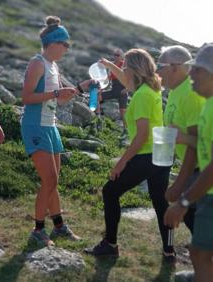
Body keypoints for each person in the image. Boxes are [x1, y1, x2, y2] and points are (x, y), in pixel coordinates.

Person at [84, 48, 175, 260]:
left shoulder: (142, 95)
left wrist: (121, 163)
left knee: (110, 191)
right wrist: (109, 65)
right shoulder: (151, 87)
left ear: (134, 69)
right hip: (161, 152)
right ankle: (169, 251)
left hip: (147, 154)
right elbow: (126, 80)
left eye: (125, 67)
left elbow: (141, 135)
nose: (123, 71)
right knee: (161, 203)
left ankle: (110, 244)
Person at [21, 15, 91, 246]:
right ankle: (38, 229)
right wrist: (54, 94)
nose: (67, 49)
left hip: (50, 125)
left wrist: (79, 88)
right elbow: (26, 97)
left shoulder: (53, 66)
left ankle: (59, 226)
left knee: (54, 180)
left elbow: (59, 100)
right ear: (53, 43)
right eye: (66, 45)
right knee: (49, 180)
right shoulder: (37, 63)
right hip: (35, 125)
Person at [164, 43, 213, 282]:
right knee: (199, 252)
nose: (191, 74)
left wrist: (183, 199)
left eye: (198, 70)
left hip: (208, 188)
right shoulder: (207, 104)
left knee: (200, 253)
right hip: (206, 189)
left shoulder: (202, 104)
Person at [157, 45, 205, 235]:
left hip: (201, 168)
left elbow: (198, 141)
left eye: (160, 66)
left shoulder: (191, 93)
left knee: (195, 219)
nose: (158, 72)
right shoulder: (176, 90)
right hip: (192, 167)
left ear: (175, 67)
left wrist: (179, 183)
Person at [97, 48, 128, 133]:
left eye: (118, 55)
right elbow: (107, 81)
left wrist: (127, 89)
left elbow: (130, 79)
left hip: (122, 91)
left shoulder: (124, 65)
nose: (115, 57)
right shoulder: (111, 66)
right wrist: (101, 89)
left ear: (122, 56)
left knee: (123, 112)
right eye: (114, 55)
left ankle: (126, 130)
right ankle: (98, 119)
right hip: (113, 90)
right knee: (98, 97)